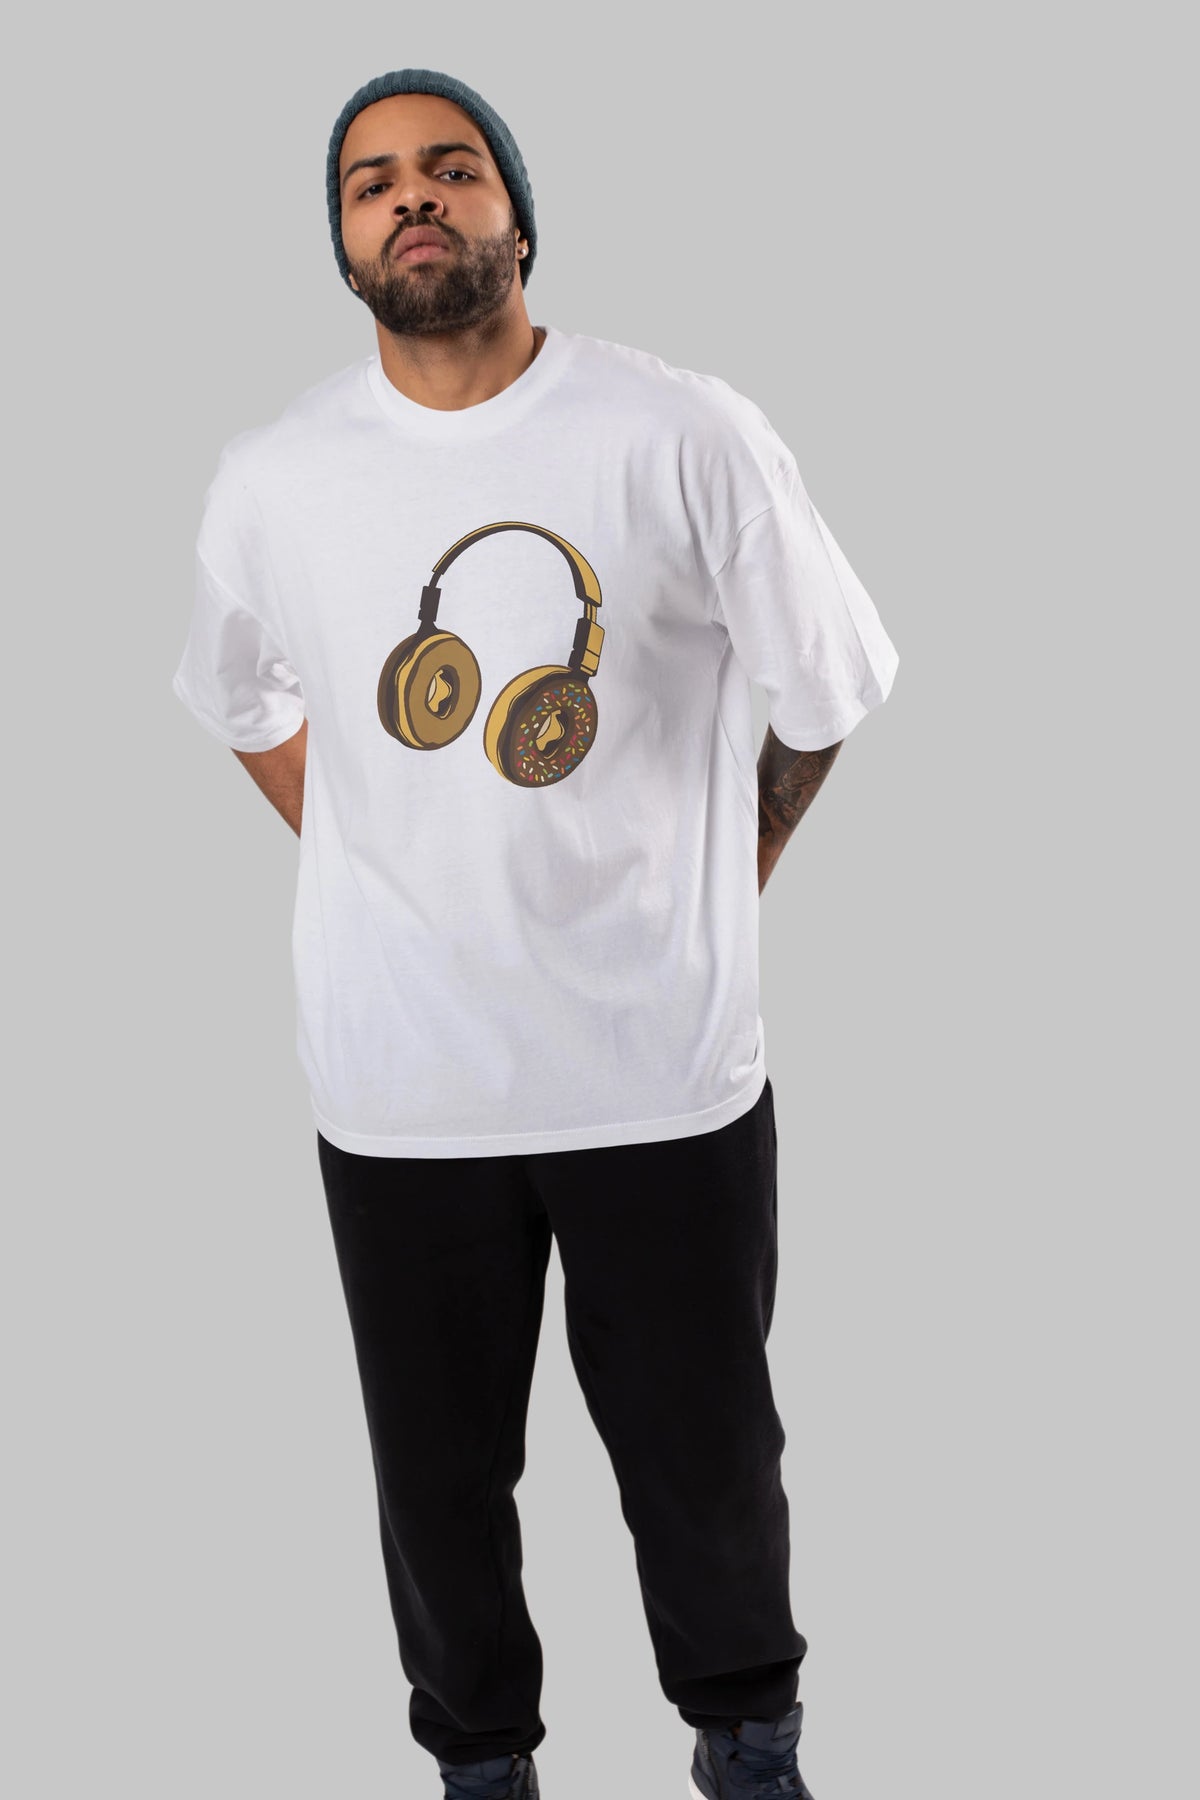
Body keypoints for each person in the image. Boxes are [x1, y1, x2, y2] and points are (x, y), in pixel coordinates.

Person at [171, 65, 899, 1800]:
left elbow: (827, 689)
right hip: (400, 1087)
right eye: (371, 183)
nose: (412, 197)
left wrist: (733, 867)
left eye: (452, 167)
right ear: (343, 242)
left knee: (708, 1461)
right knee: (434, 1483)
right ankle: (480, 1765)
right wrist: (376, 847)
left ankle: (749, 1742)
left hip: (661, 1072)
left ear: (517, 212)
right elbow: (238, 697)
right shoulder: (273, 478)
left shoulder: (683, 432)